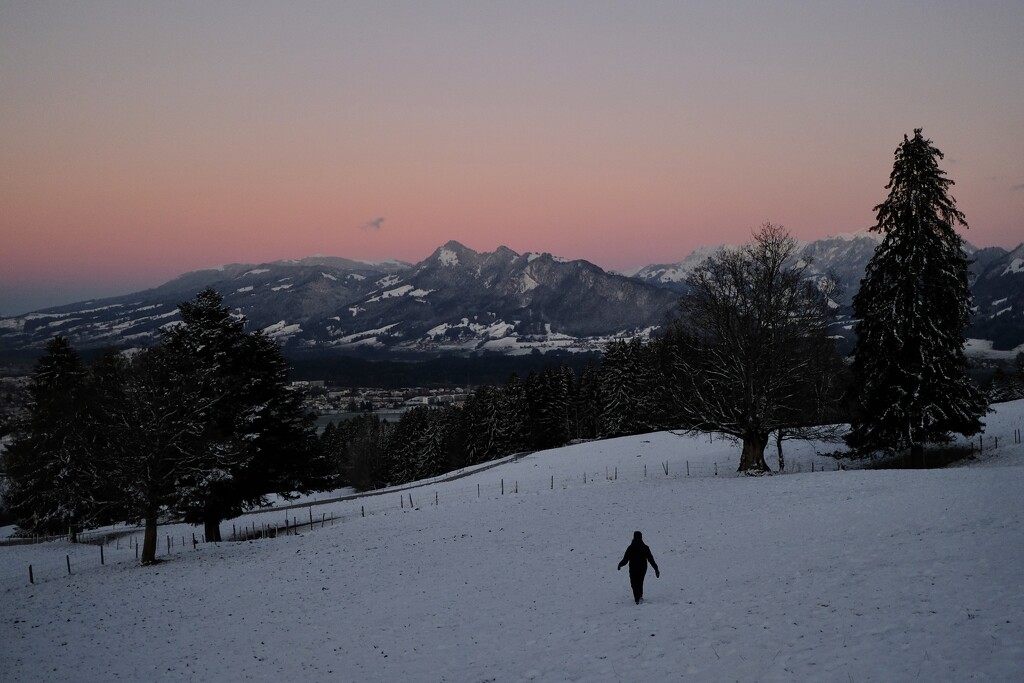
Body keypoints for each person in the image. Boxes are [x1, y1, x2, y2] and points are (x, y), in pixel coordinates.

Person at [617, 530, 660, 604]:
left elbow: (625, 559)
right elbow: (651, 559)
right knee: (640, 582)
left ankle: (637, 598)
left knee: (634, 583)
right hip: (642, 568)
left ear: (633, 537)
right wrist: (656, 569)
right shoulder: (645, 547)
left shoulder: (630, 547)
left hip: (633, 568)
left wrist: (620, 565)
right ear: (641, 537)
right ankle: (639, 597)